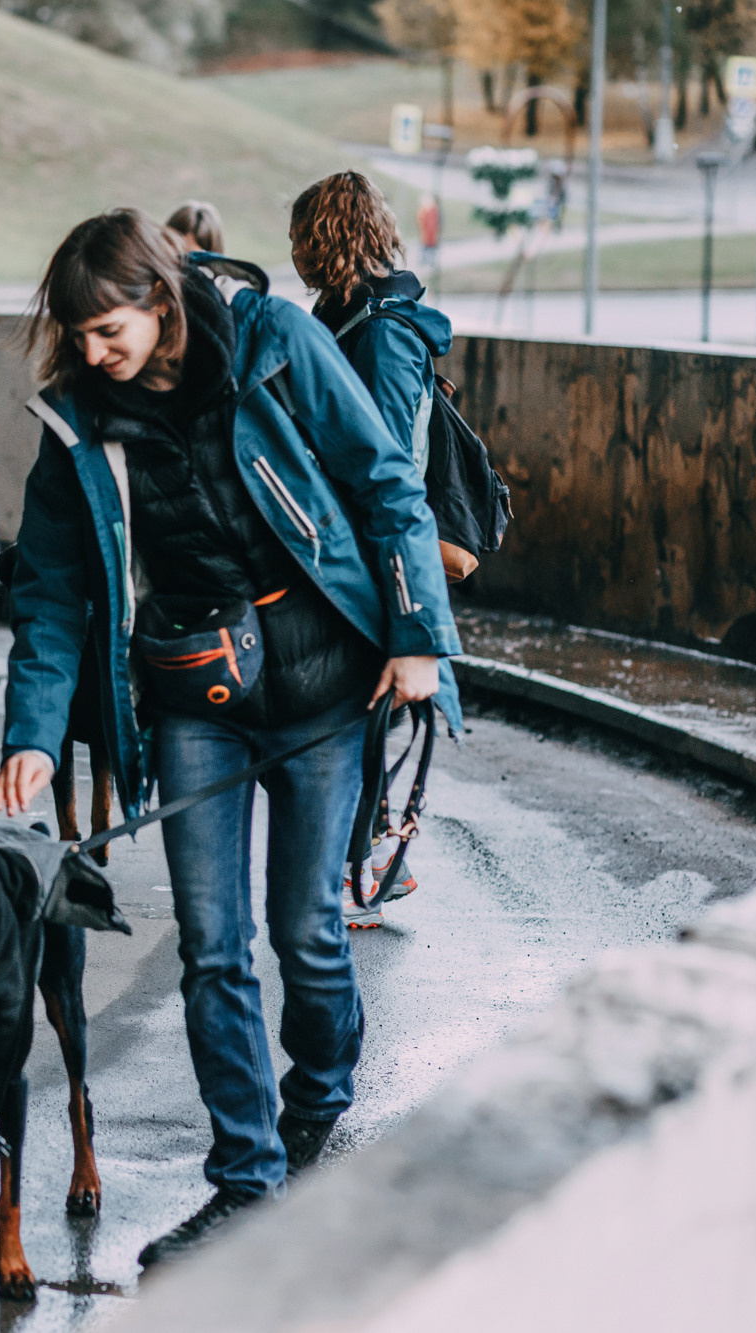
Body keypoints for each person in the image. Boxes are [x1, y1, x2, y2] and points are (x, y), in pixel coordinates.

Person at [0, 210, 460, 1268]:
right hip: (192, 690)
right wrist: (29, 731)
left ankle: (316, 1107)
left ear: (159, 304)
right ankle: (242, 1181)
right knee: (211, 948)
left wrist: (417, 636)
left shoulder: (271, 342)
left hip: (323, 674)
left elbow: (385, 481)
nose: (91, 353)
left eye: (107, 331)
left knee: (306, 931)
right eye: (77, 335)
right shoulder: (75, 418)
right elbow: (50, 591)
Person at [290, 170, 455, 929]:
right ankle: (373, 859)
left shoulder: (384, 332)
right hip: (349, 552)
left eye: (300, 237)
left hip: (370, 556)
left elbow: (384, 461)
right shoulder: (349, 318)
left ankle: (369, 864)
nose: (292, 253)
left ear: (324, 237)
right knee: (357, 713)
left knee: (362, 714)